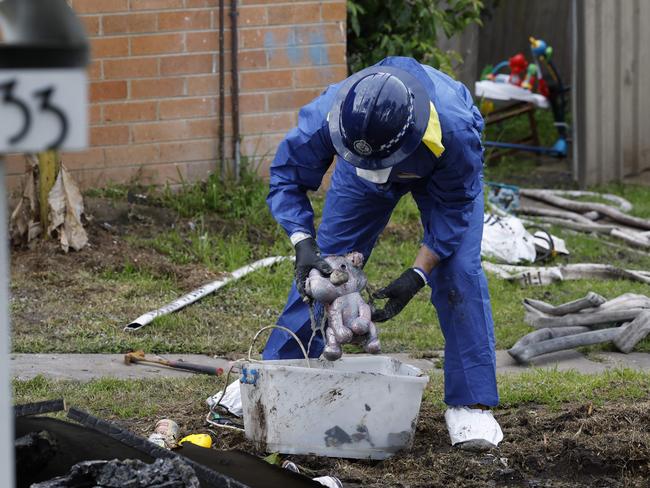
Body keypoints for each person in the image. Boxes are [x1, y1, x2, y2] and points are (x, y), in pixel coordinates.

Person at [262, 56, 503, 450]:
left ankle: (471, 405)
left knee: (458, 272)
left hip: (439, 171)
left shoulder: (455, 129)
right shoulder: (331, 114)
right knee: (326, 272)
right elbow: (288, 176)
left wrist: (417, 275)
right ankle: (277, 374)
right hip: (360, 178)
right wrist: (302, 243)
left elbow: (456, 207)